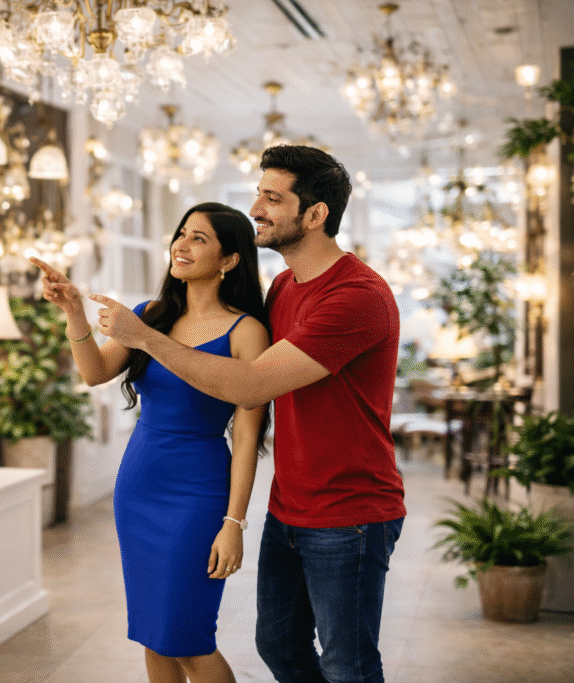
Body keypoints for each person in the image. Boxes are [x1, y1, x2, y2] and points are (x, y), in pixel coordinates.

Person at [89, 146, 405, 683]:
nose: (256, 207)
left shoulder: (356, 296)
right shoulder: (283, 286)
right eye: (259, 193)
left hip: (350, 511)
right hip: (291, 503)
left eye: (272, 198)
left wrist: (145, 337)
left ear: (315, 215)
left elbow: (252, 385)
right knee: (279, 646)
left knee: (347, 664)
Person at [31, 202, 271, 683]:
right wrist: (74, 312)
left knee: (189, 637)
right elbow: (95, 372)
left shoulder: (247, 332)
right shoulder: (152, 315)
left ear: (229, 260)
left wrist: (234, 523)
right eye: (181, 233)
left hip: (198, 493)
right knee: (153, 633)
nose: (181, 245)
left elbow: (247, 439)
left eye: (199, 238)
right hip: (139, 485)